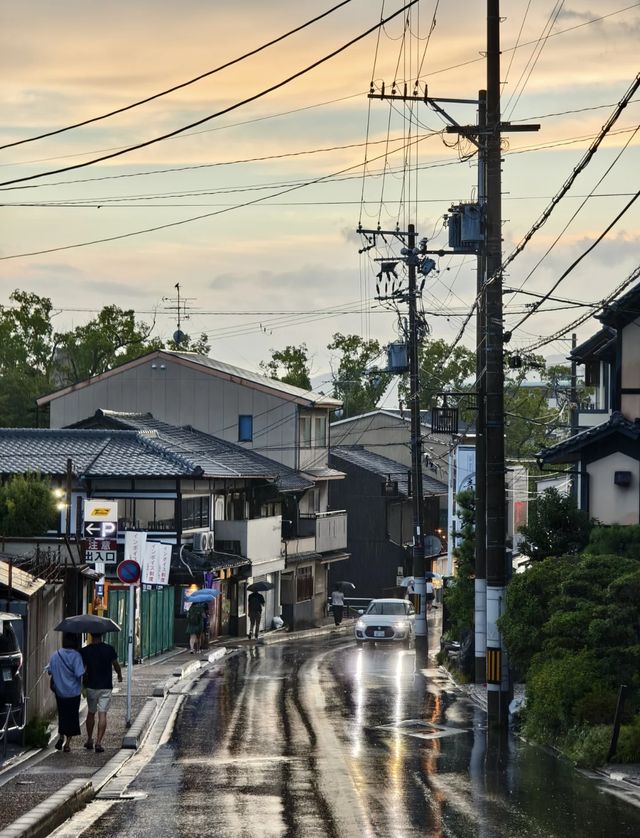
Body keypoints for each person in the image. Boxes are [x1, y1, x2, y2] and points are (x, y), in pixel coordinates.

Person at [80, 633, 122, 753]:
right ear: (102, 635)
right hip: (106, 686)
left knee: (91, 713)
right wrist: (119, 675)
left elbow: (82, 667)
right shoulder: (109, 649)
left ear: (91, 636)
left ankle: (89, 739)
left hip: (92, 686)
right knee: (102, 714)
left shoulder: (86, 650)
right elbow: (116, 664)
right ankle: (98, 742)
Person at [47, 633, 85, 753]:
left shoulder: (55, 655)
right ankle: (67, 744)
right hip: (73, 693)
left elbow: (49, 671)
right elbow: (80, 673)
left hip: (60, 692)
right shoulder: (76, 656)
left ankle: (61, 736)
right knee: (72, 717)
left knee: (62, 716)